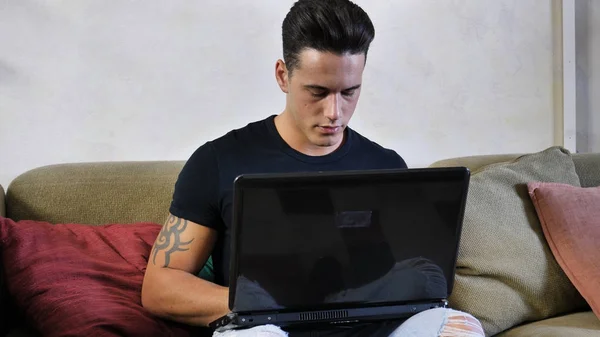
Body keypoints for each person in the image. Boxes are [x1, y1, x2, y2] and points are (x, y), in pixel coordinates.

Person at [141, 0, 485, 336]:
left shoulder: (386, 165)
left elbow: (419, 278)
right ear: (282, 75)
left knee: (459, 327)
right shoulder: (218, 160)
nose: (335, 111)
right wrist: (253, 305)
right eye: (317, 92)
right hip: (265, 326)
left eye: (349, 92)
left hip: (374, 329)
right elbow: (159, 288)